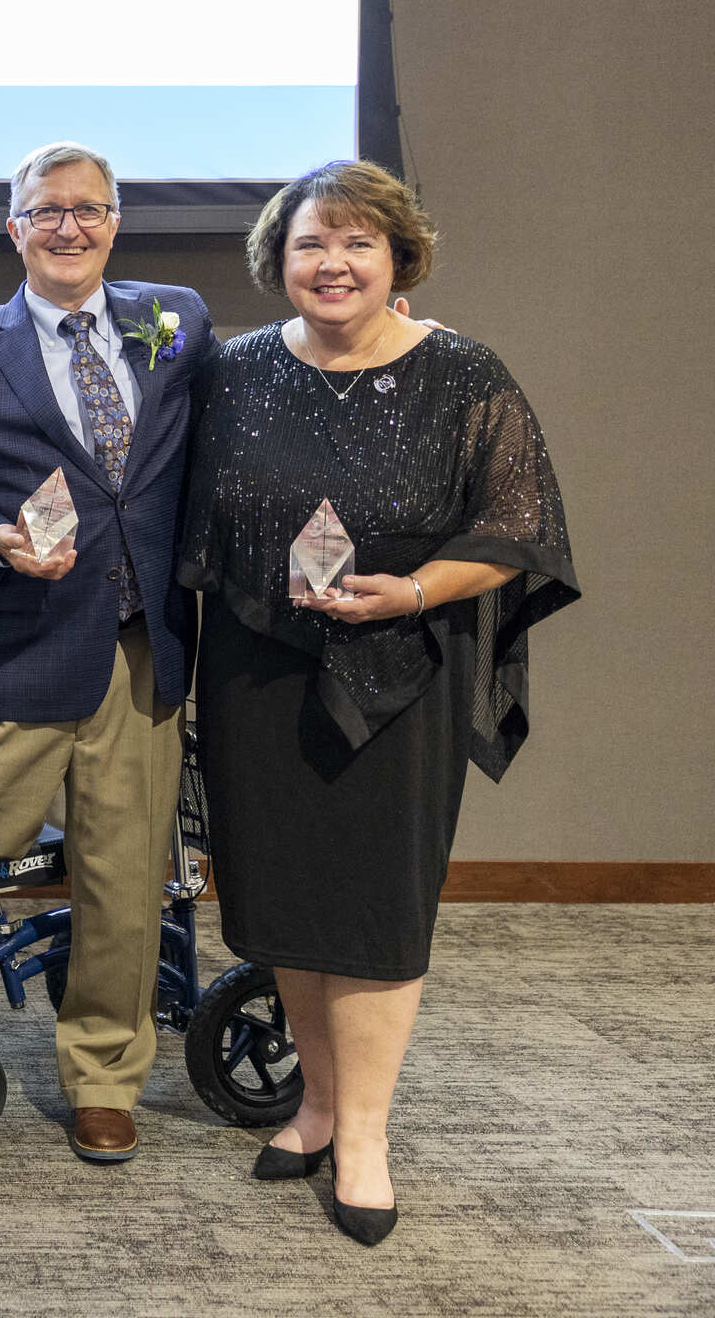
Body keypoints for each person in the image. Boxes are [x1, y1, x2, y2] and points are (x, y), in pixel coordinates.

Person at [177, 160, 576, 1244]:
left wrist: (408, 588)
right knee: (287, 904)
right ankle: (311, 1104)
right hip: (260, 668)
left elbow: (517, 525)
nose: (333, 262)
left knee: (377, 906)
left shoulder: (463, 373)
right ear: (280, 260)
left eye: (357, 242)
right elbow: (190, 518)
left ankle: (366, 1136)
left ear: (398, 256)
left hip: (405, 671)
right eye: (312, 243)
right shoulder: (236, 371)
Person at [0, 141, 213, 1163]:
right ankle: (34, 907)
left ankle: (105, 1073)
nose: (69, 227)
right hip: (17, 644)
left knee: (124, 875)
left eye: (89, 210)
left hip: (139, 650)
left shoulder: (180, 321)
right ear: (12, 227)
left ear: (114, 222)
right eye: (46, 211)